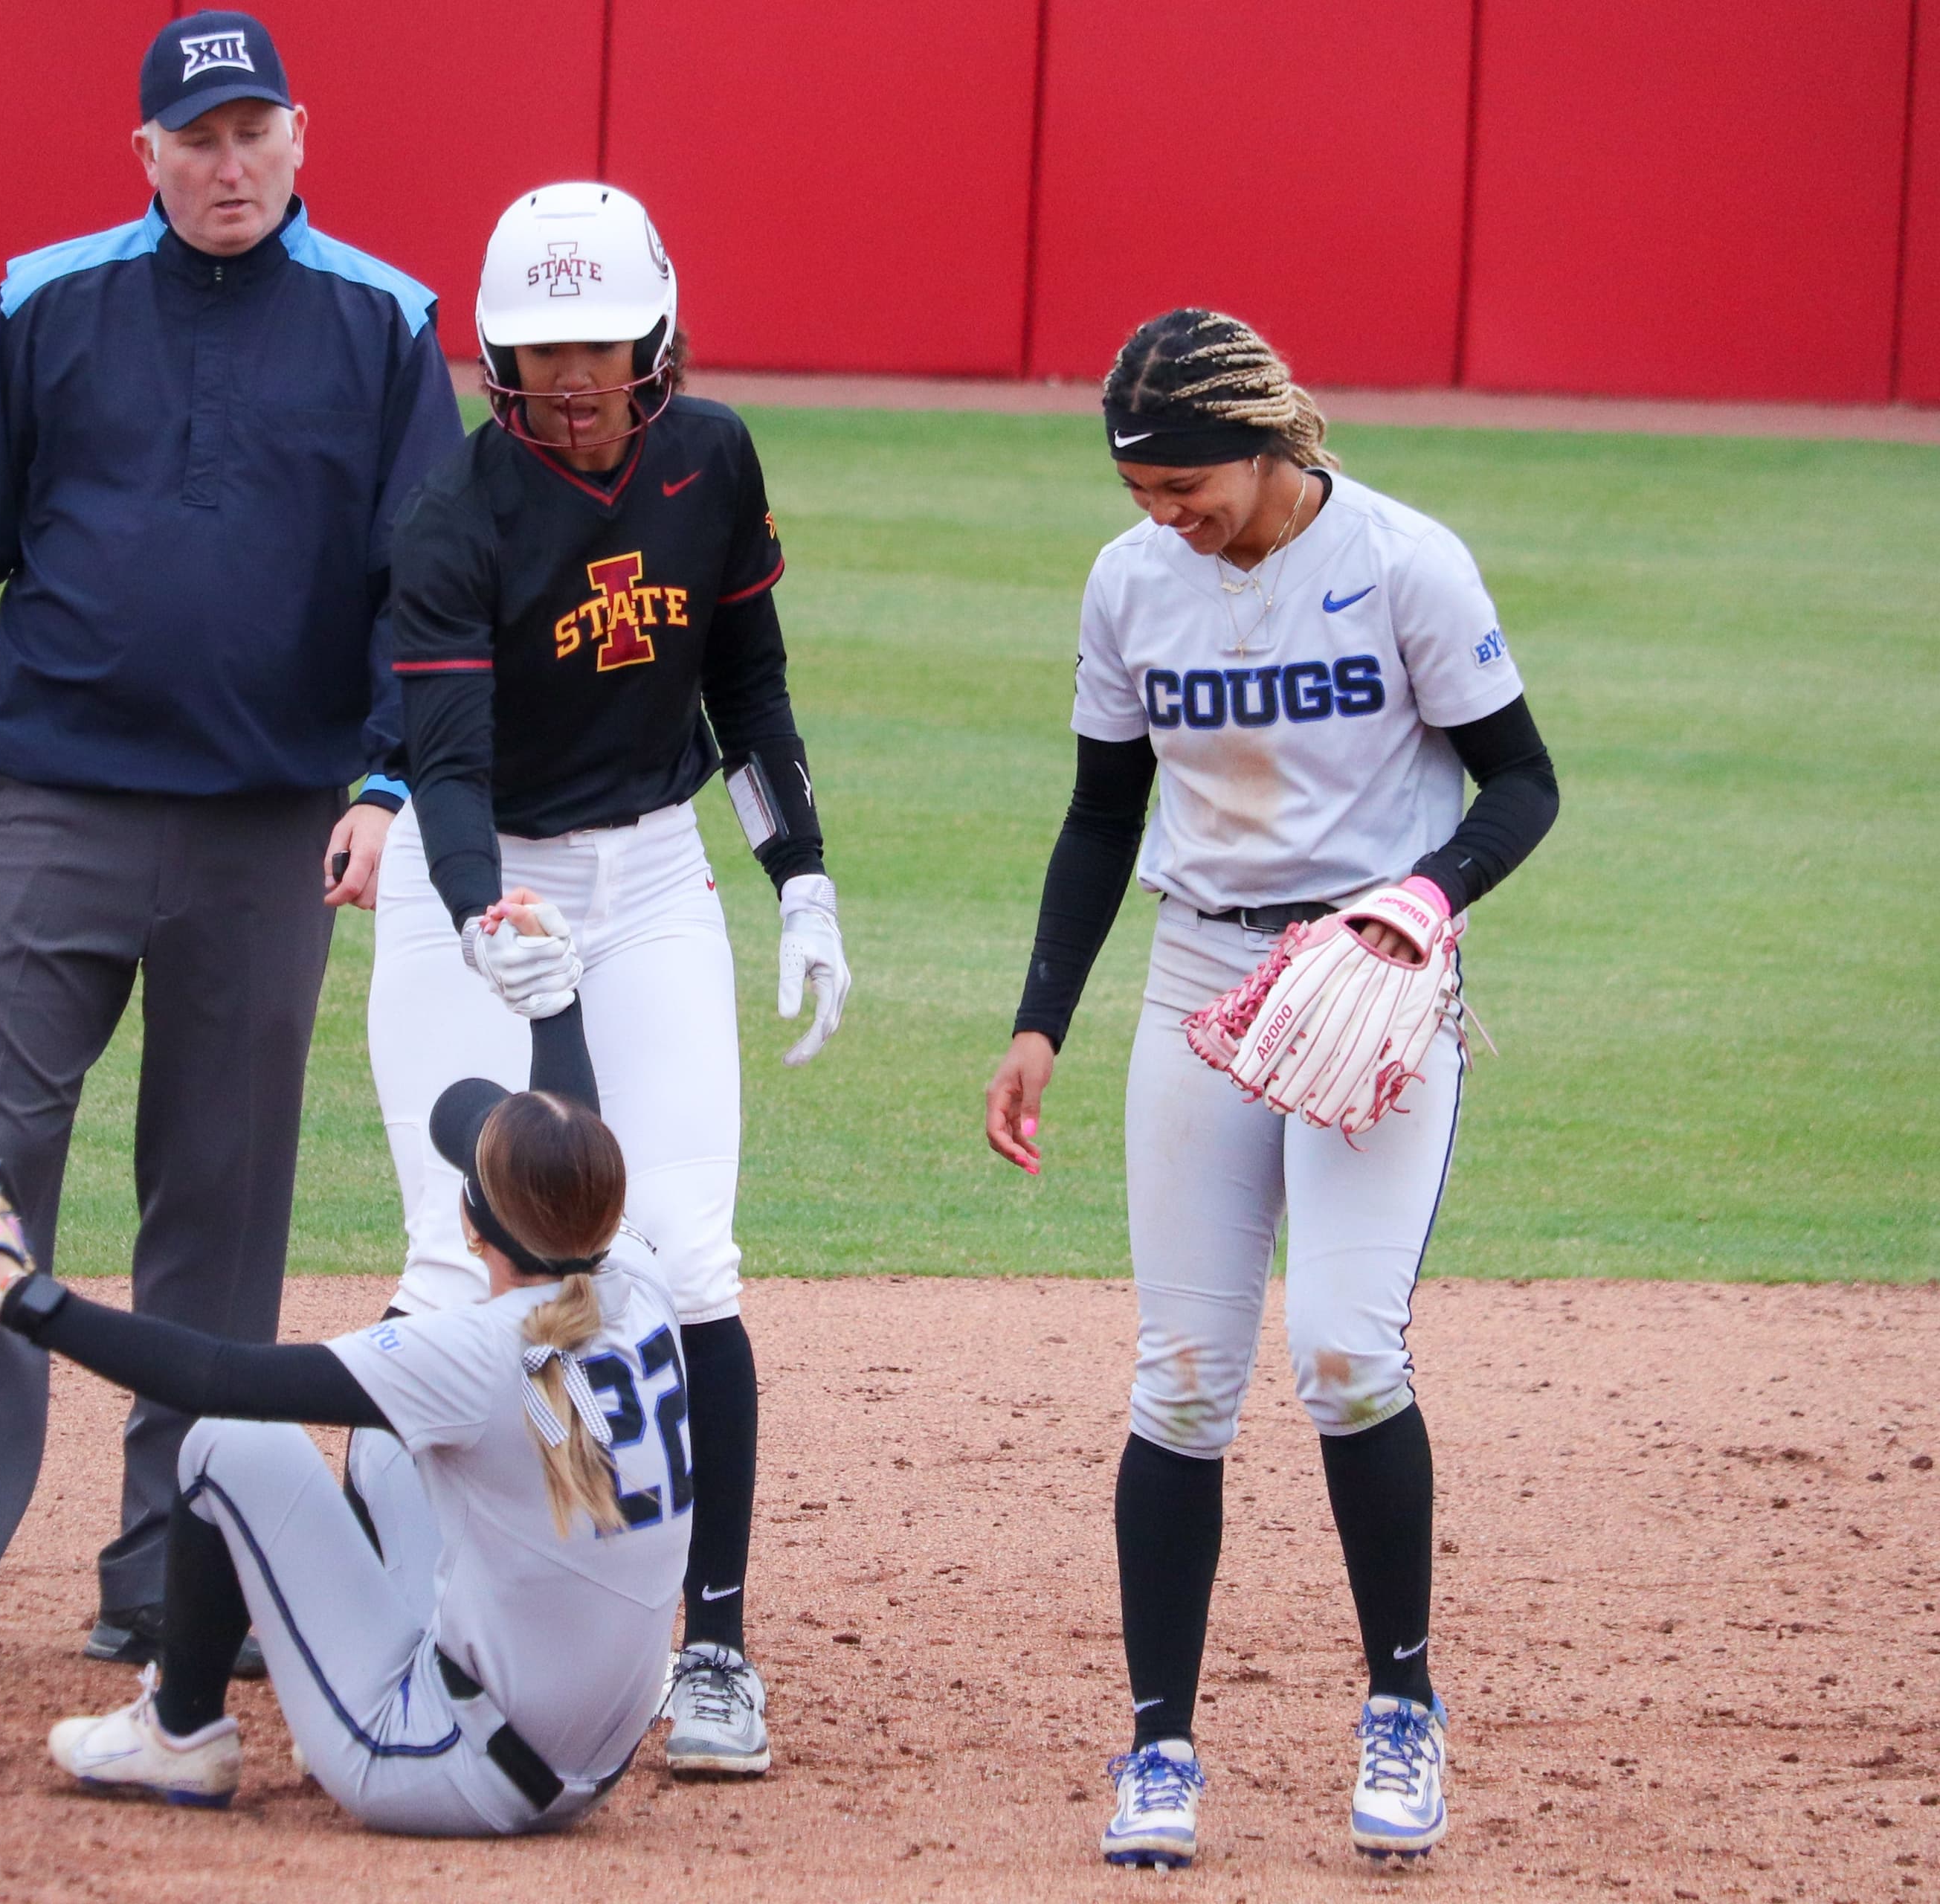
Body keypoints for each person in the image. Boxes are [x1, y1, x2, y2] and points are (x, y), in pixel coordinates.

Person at [0, 9, 462, 1669]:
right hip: (57, 805)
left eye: (255, 133)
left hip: (272, 827)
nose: (229, 163)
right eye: (198, 138)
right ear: (148, 155)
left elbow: (424, 583)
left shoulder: (386, 321)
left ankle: (166, 1577)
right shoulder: (47, 302)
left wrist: (386, 783)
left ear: (301, 139)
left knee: (222, 1202)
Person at [980, 309, 1560, 1869]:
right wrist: (1043, 1017)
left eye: (1187, 485)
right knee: (1181, 1374)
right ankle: (1161, 1739)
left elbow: (1525, 782)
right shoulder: (1131, 586)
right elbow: (1104, 815)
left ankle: (1403, 1708)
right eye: (1141, 489)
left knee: (1346, 1348)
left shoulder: (1402, 562)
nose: (1165, 513)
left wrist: (1423, 901)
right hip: (1199, 978)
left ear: (1265, 440)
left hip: (1371, 975)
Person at [364, 181, 850, 1780]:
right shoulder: (456, 515)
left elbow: (749, 686)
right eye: (537, 349)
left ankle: (708, 1643)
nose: (571, 379)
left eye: (598, 346)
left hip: (648, 883)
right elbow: (439, 763)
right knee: (462, 1259)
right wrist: (477, 908)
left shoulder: (711, 458)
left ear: (655, 338)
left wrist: (803, 879)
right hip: (481, 877)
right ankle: (409, 1616)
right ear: (495, 359)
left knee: (686, 1252)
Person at [0, 913, 693, 1836]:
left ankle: (180, 1732)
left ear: (472, 1229)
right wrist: (557, 1008)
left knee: (225, 1447)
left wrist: (15, 1294)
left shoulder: (476, 1352)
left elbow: (219, 1375)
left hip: (453, 1772)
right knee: (389, 1453)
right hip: (588, 1754)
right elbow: (574, 1137)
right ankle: (361, 1678)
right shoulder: (634, 1278)